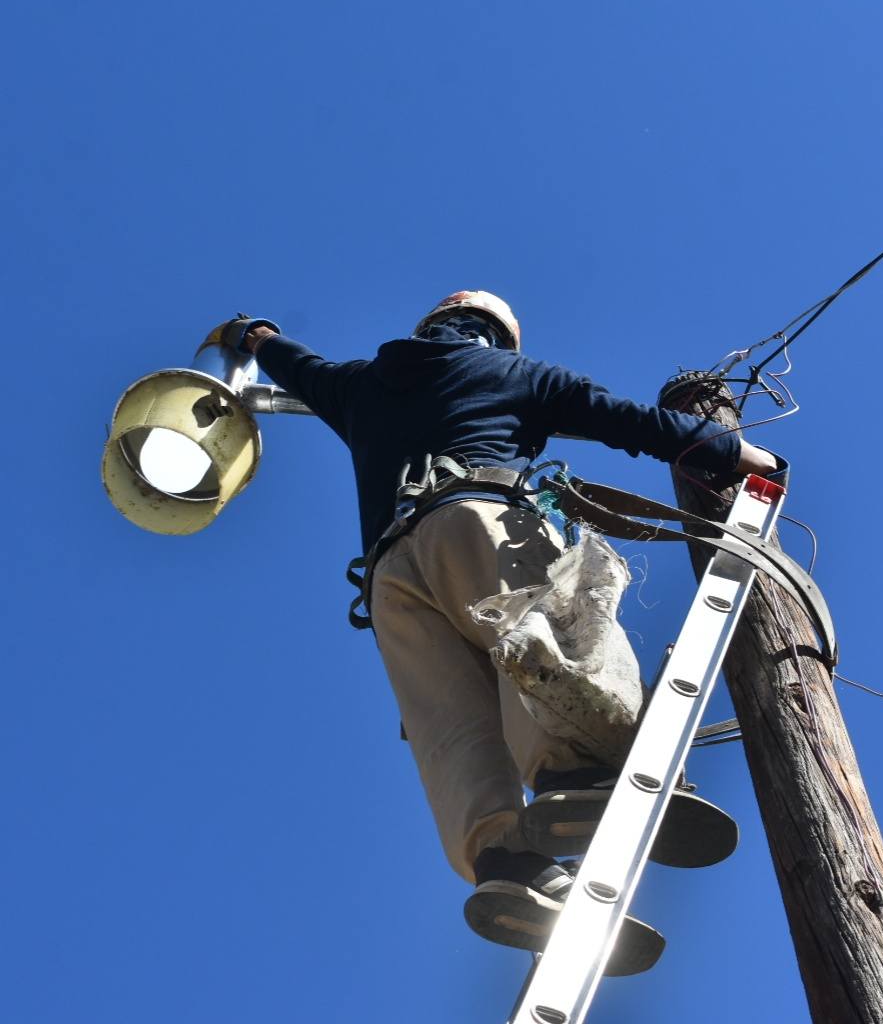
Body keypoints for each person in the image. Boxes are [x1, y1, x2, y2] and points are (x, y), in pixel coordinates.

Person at [236, 292, 776, 966]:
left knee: (453, 728)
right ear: (501, 338)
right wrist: (732, 450)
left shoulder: (358, 385)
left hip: (390, 583)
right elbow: (624, 420)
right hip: (477, 517)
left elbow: (296, 364)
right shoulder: (518, 376)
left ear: (428, 326)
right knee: (549, 640)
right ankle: (581, 772)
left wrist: (251, 336)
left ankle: (509, 863)